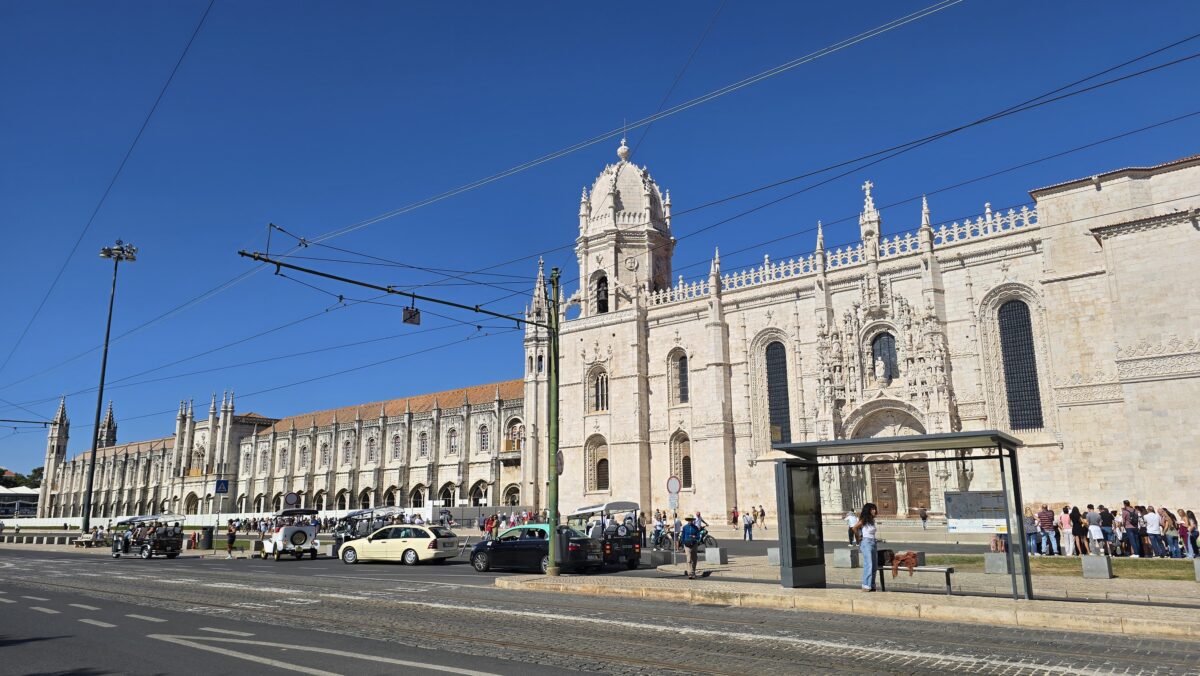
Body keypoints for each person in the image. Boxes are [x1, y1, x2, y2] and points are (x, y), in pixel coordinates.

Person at [850, 503, 879, 592]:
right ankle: (866, 585)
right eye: (872, 509)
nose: (874, 511)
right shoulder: (864, 520)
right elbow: (854, 528)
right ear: (868, 510)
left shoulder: (872, 520)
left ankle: (872, 584)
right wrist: (858, 537)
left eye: (875, 509)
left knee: (874, 565)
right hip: (866, 543)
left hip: (873, 542)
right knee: (869, 564)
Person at [680, 515, 702, 580]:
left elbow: (698, 536)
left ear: (693, 520)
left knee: (694, 559)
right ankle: (690, 573)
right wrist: (683, 542)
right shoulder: (685, 527)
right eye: (689, 520)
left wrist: (695, 537)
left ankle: (693, 571)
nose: (690, 521)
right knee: (688, 558)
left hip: (694, 544)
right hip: (687, 544)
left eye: (691, 520)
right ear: (687, 520)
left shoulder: (695, 527)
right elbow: (682, 536)